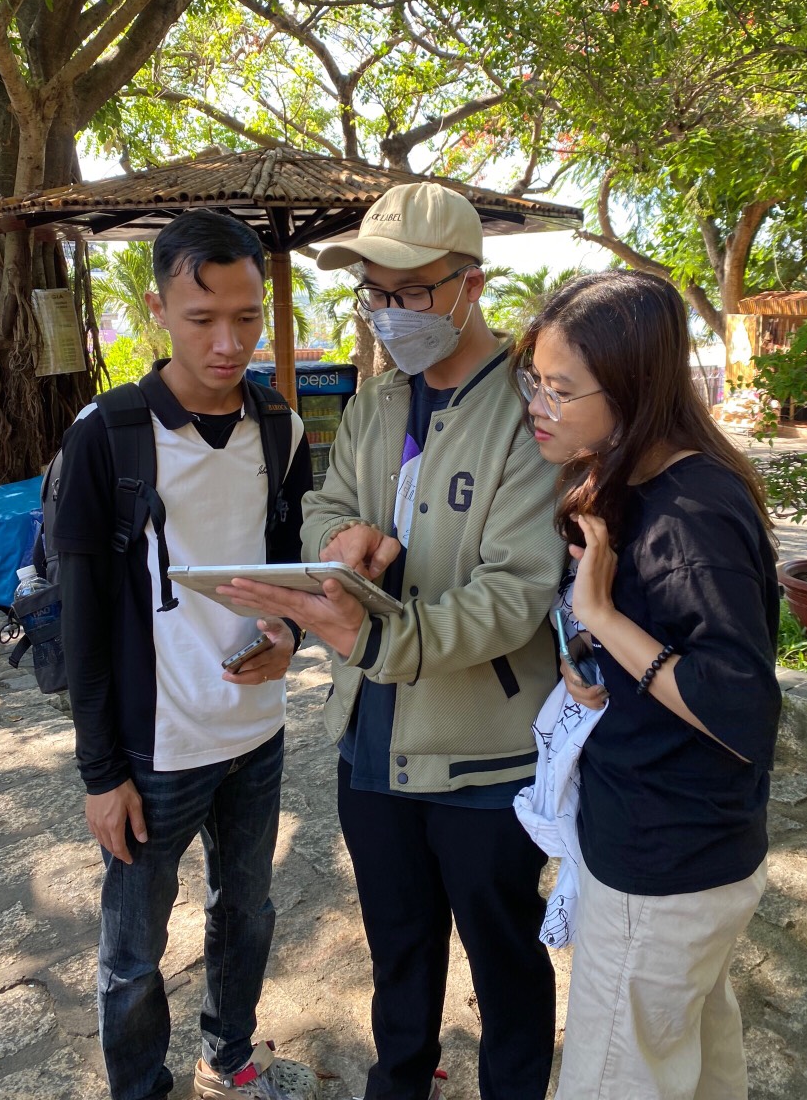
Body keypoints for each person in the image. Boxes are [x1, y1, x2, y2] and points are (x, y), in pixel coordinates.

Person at [218, 181, 566, 1100]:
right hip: (369, 744)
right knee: (398, 955)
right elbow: (327, 503)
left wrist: (373, 636)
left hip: (486, 758)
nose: (391, 312)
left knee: (507, 966)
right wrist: (342, 547)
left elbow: (516, 595)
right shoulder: (376, 403)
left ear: (470, 286)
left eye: (413, 293)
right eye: (376, 291)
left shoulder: (529, 418)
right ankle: (400, 1083)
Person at [53, 210, 318, 1100]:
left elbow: (295, 572)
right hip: (153, 750)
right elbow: (84, 621)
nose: (228, 341)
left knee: (248, 912)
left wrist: (292, 635)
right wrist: (100, 773)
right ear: (158, 307)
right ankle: (139, 1087)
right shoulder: (108, 436)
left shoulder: (278, 427)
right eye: (202, 318)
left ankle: (228, 1054)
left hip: (256, 733)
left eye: (247, 318)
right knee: (134, 947)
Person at [514, 270, 781, 1100]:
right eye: (534, 380)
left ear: (633, 390)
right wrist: (599, 658)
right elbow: (666, 645)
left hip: (663, 863)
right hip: (688, 856)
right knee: (692, 1072)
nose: (539, 406)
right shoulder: (646, 484)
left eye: (561, 390)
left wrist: (601, 612)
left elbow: (739, 705)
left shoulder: (687, 514)